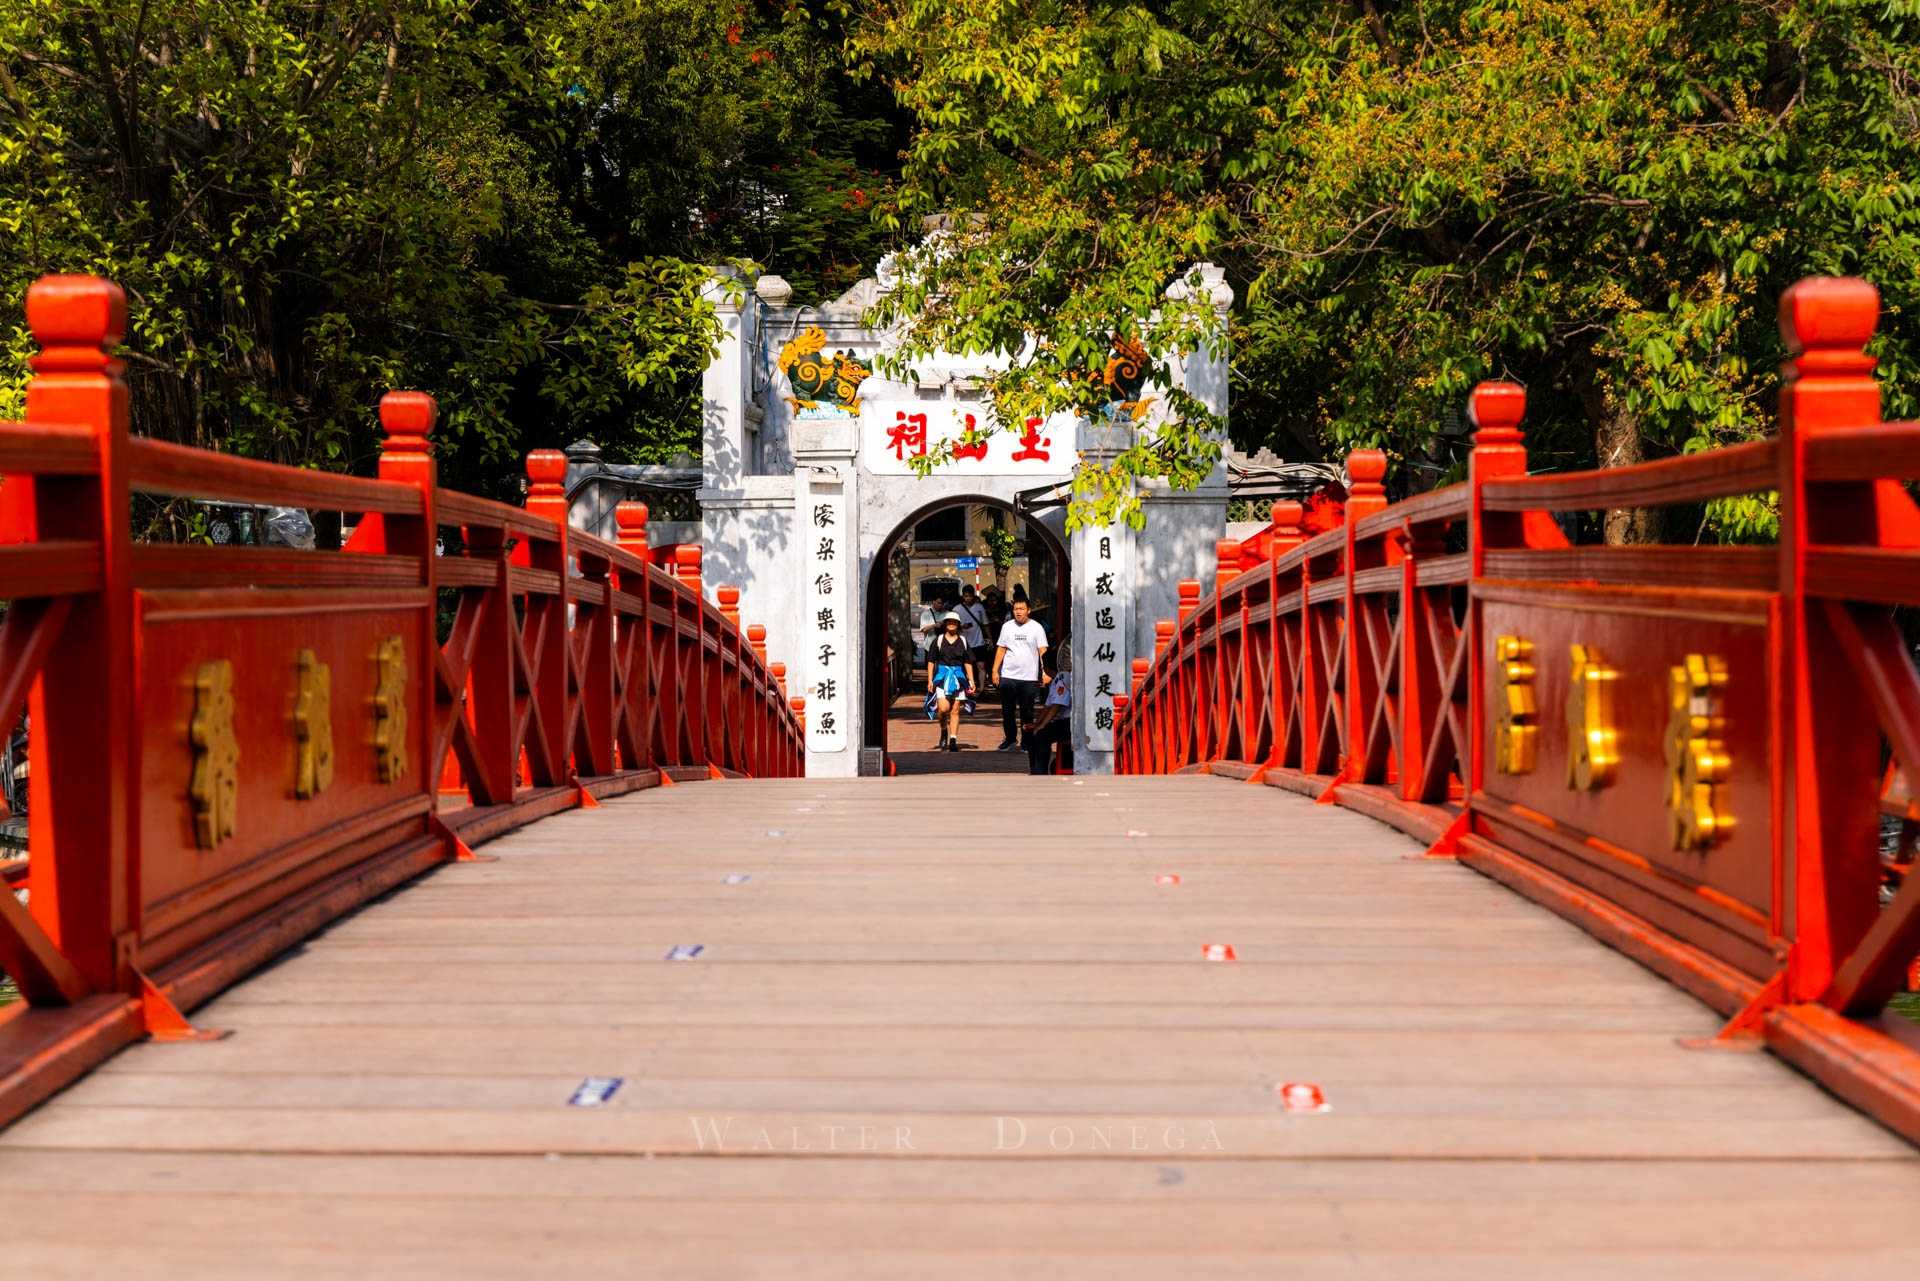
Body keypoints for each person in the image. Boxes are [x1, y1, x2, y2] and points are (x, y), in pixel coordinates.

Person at [991, 597, 1048, 752]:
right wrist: (995, 670)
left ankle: (1026, 742)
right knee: (1007, 711)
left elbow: (1042, 651)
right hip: (1008, 676)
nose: (1018, 612)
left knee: (1027, 712)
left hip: (1028, 678)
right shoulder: (1007, 627)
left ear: (1028, 610)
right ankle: (1010, 739)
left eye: (1022, 609)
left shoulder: (1037, 628)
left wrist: (1045, 671)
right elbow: (1001, 648)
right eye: (1016, 609)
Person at [923, 611, 975, 752]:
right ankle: (943, 729)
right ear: (945, 624)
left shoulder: (963, 641)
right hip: (942, 677)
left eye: (954, 622)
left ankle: (953, 739)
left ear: (958, 624)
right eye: (949, 621)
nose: (952, 624)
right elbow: (931, 661)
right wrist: (930, 680)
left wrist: (971, 680)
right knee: (943, 709)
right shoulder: (938, 640)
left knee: (955, 709)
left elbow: (968, 662)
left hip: (959, 677)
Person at [1025, 648, 1072, 775]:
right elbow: (1047, 707)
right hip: (1061, 721)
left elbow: (1057, 705)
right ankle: (1034, 768)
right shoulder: (1055, 681)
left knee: (1042, 734)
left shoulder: (1063, 677)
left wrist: (1042, 725)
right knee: (1030, 733)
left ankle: (1041, 771)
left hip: (1069, 723)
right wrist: (1036, 724)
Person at [958, 585, 992, 681]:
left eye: (970, 596)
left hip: (979, 642)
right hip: (963, 642)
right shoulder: (957, 609)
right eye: (966, 596)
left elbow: (985, 624)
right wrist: (961, 626)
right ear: (963, 596)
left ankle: (981, 689)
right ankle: (968, 686)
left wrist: (990, 639)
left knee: (981, 665)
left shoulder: (979, 607)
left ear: (973, 596)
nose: (968, 598)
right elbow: (952, 626)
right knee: (966, 666)